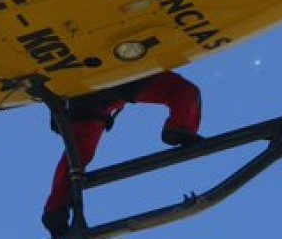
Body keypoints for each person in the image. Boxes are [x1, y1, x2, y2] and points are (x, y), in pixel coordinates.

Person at [40, 71, 203, 238]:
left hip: (84, 97)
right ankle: (180, 126)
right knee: (184, 91)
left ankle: (55, 211)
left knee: (77, 154)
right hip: (114, 77)